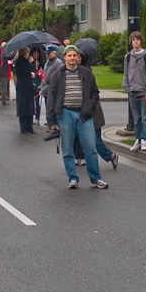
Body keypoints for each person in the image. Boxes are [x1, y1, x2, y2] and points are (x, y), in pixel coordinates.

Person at [46, 45, 107, 189]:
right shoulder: (57, 74)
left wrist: (89, 107)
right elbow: (51, 98)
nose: (72, 58)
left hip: (84, 115)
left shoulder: (86, 73)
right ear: (65, 57)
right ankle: (73, 179)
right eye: (69, 55)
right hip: (65, 114)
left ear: (77, 58)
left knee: (91, 148)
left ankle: (95, 178)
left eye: (75, 56)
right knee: (67, 150)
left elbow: (94, 92)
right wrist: (51, 121)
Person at [122, 31, 146, 151]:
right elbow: (126, 73)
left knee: (144, 117)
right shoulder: (128, 57)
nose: (135, 41)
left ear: (141, 41)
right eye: (133, 40)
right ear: (131, 42)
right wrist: (126, 87)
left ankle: (144, 139)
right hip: (132, 91)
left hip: (143, 92)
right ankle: (138, 138)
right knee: (136, 118)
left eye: (137, 39)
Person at [13, 48, 37, 134]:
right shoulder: (19, 62)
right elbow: (23, 72)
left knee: (30, 106)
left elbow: (29, 71)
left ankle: (30, 127)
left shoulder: (26, 62)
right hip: (22, 86)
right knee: (23, 106)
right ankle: (23, 127)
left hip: (28, 86)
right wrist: (30, 64)